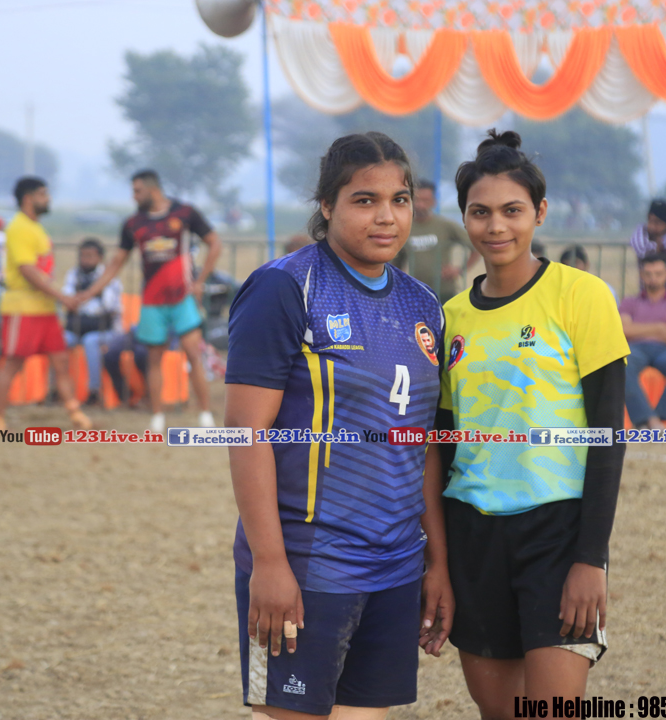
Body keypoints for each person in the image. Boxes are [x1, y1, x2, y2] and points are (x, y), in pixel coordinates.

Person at [224, 132, 453, 720]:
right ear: (327, 205)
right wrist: (270, 564)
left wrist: (437, 561)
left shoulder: (424, 305)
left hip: (395, 567)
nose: (386, 217)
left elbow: (423, 444)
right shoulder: (285, 287)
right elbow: (246, 432)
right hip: (308, 564)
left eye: (399, 200)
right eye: (364, 200)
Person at [437, 130, 629, 718]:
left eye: (512, 210)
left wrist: (591, 558)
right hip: (473, 537)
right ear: (465, 218)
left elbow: (608, 439)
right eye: (480, 212)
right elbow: (440, 449)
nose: (496, 226)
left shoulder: (583, 296)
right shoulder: (449, 318)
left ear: (539, 213)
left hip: (557, 535)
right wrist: (437, 563)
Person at [80, 169, 221, 431]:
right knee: (153, 359)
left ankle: (205, 414)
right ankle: (157, 416)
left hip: (182, 299)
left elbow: (214, 242)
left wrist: (200, 281)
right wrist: (88, 293)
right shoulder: (133, 224)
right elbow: (116, 263)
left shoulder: (185, 213)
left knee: (193, 354)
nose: (133, 196)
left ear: (152, 189)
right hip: (152, 303)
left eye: (137, 191)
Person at [0, 176, 90, 432]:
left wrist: (58, 297)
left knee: (61, 360)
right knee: (13, 364)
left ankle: (75, 413)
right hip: (22, 308)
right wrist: (62, 297)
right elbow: (28, 270)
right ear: (28, 198)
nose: (48, 199)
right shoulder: (19, 227)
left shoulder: (35, 227)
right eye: (43, 194)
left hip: (45, 309)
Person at [620, 253, 666, 430]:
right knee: (621, 365)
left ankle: (661, 419)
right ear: (641, 275)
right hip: (635, 348)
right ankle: (649, 420)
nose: (653, 278)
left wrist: (638, 329)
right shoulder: (629, 302)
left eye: (658, 274)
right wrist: (660, 328)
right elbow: (623, 330)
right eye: (648, 274)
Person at [392, 178, 478, 303]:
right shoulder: (403, 228)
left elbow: (476, 247)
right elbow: (395, 264)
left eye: (426, 200)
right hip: (416, 293)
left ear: (434, 201)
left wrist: (459, 270)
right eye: (417, 200)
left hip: (444, 293)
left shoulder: (445, 225)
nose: (420, 205)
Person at [62, 238, 123, 406]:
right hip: (77, 327)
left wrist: (87, 294)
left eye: (90, 256)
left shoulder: (109, 278)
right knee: (59, 341)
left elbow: (110, 306)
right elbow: (67, 300)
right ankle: (58, 391)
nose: (85, 260)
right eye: (83, 256)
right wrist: (86, 297)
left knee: (90, 341)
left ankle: (94, 392)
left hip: (104, 329)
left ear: (100, 258)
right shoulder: (74, 275)